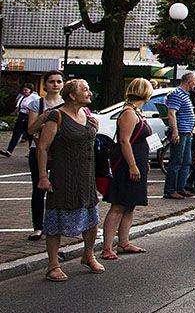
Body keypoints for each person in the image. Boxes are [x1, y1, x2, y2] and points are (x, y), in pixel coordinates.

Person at [36, 79, 103, 281]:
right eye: (85, 89)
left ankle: (88, 255)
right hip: (63, 176)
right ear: (72, 95)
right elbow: (42, 148)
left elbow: (87, 139)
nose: (89, 92)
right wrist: (43, 176)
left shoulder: (87, 114)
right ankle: (53, 265)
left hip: (86, 176)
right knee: (55, 219)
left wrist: (95, 128)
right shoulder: (56, 116)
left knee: (91, 217)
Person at [102, 78, 154, 260]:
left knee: (130, 204)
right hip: (126, 164)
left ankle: (123, 241)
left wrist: (142, 162)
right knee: (118, 205)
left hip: (138, 160)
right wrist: (132, 165)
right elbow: (124, 141)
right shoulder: (129, 113)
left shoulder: (137, 112)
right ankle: (107, 246)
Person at [23, 70, 67, 241]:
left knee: (59, 188)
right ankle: (38, 226)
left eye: (58, 81)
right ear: (45, 85)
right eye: (51, 81)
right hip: (39, 149)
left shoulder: (66, 104)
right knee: (39, 187)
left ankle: (58, 224)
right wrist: (44, 117)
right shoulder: (37, 104)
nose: (55, 84)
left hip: (59, 151)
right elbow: (30, 129)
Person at [163, 72, 195, 199]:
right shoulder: (177, 94)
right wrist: (175, 131)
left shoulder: (185, 95)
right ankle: (170, 189)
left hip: (187, 132)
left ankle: (180, 187)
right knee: (176, 161)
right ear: (189, 81)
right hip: (181, 132)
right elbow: (171, 113)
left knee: (186, 161)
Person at [1, 82, 37, 157]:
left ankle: (31, 152)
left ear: (30, 90)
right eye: (23, 90)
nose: (24, 92)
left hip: (29, 117)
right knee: (16, 135)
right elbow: (18, 106)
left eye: (26, 90)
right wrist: (14, 113)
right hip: (21, 116)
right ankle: (9, 151)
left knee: (30, 136)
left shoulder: (34, 97)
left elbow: (37, 107)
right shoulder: (22, 97)